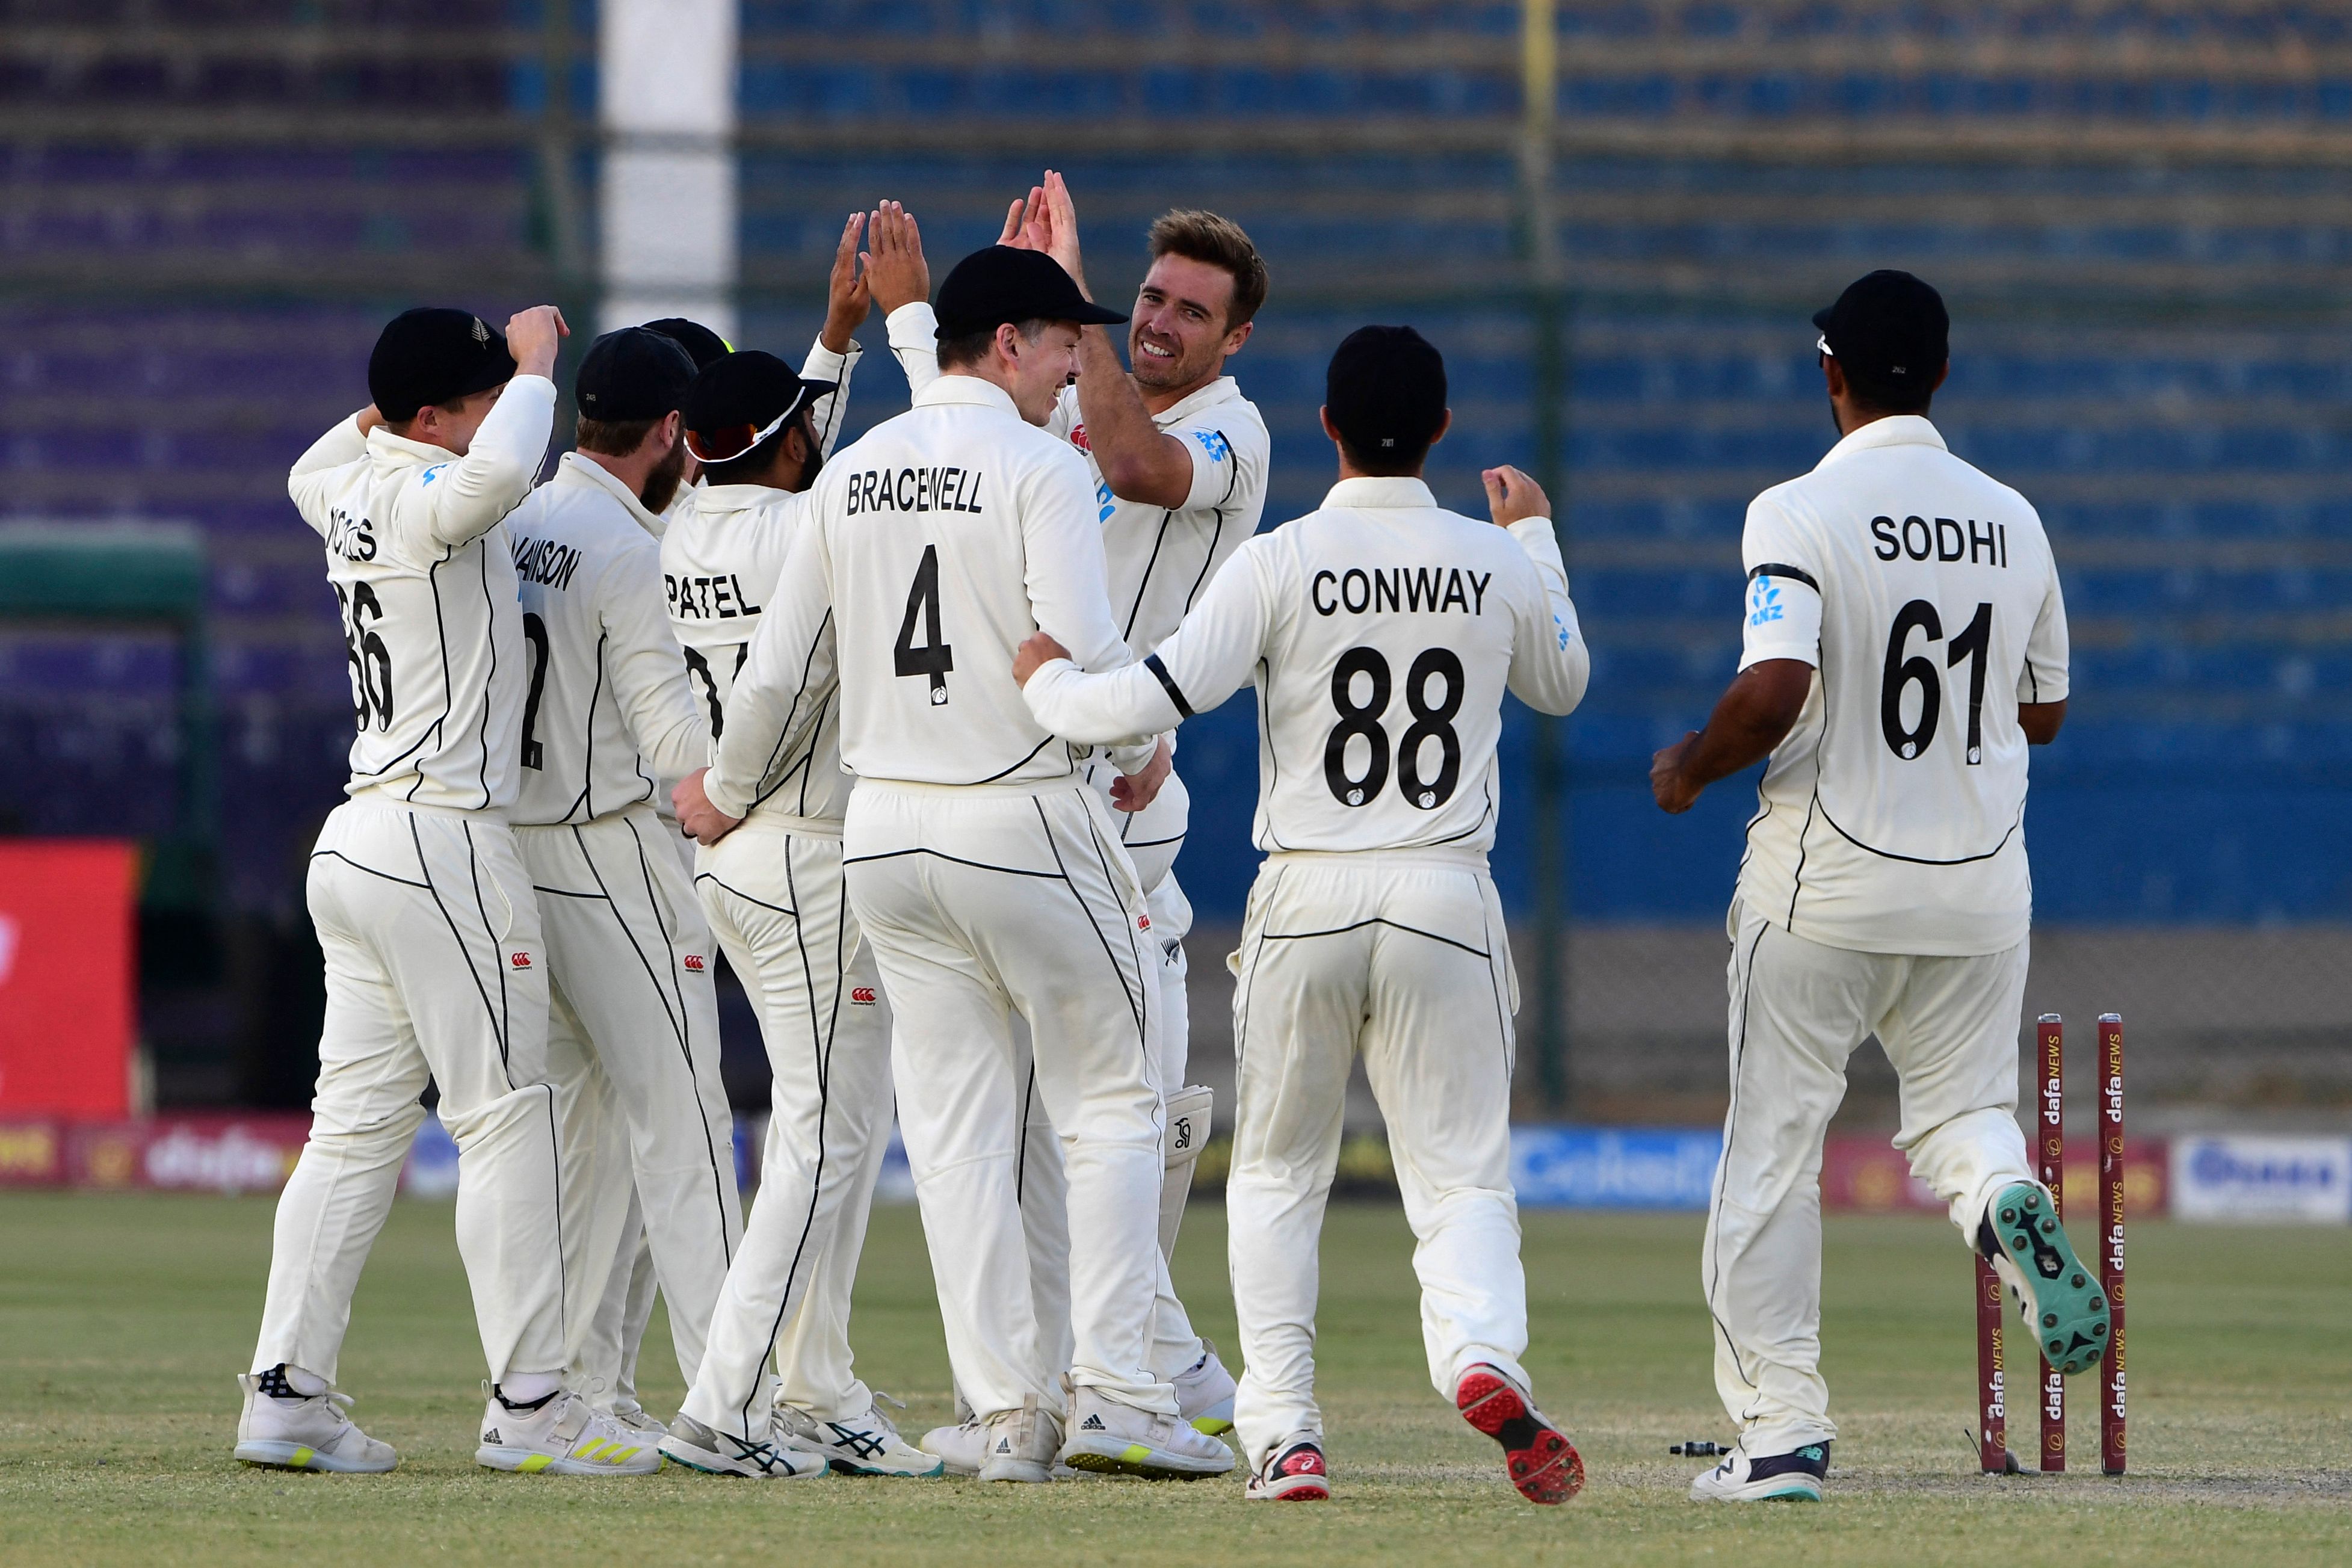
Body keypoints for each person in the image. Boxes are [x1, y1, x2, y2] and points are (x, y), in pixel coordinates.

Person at [669, 244, 1232, 1485]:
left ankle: (1002, 1415)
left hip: (884, 834)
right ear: (1012, 343)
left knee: (962, 1130)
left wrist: (723, 789)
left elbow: (782, 671)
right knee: (1110, 1101)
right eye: (1064, 343)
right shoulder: (1038, 466)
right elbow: (1081, 648)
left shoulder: (853, 468)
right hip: (1019, 810)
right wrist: (1140, 742)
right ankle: (1120, 1395)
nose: (1077, 366)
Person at [1014, 324, 1592, 1505]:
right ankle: (1479, 1357)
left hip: (1308, 894)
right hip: (1441, 892)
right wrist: (1533, 537)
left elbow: (1161, 688)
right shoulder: (1490, 561)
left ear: (1327, 426)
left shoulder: (1280, 559)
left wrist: (1045, 684)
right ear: (1436, 430)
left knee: (1278, 1174)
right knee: (1462, 1177)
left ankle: (1283, 1434)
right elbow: (1562, 681)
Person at [1647, 270, 2096, 1503]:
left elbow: (1775, 685)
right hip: (1975, 884)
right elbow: (2043, 709)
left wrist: (1691, 762)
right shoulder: (2012, 517)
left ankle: (1781, 1435)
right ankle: (2007, 1202)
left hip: (1823, 878)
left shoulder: (1796, 508)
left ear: (1828, 373)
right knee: (1959, 1118)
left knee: (1772, 1152)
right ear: (1940, 375)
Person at [239, 303, 658, 1477]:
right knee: (504, 1116)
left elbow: (312, 459)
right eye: (471, 397)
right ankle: (532, 1406)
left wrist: (418, 396)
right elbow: (504, 463)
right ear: (434, 418)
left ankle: (285, 1391)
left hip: (358, 841)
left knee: (356, 1129)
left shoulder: (345, 486)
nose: (500, 410)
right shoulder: (432, 502)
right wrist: (531, 365)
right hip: (439, 840)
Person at [657, 202, 943, 1480]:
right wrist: (897, 331)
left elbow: (796, 450)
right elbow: (929, 473)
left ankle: (819, 1388)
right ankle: (726, 1404)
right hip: (801, 844)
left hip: (733, 866)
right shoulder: (819, 523)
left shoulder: (680, 526)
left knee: (828, 1129)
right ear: (788, 447)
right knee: (826, 1138)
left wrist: (829, 343)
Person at [502, 324, 745, 1440]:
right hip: (612, 854)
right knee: (687, 1126)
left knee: (580, 1145)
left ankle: (572, 1391)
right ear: (664, 433)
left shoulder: (521, 521)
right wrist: (737, 799)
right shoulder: (625, 551)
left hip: (519, 855)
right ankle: (732, 1401)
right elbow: (673, 744)